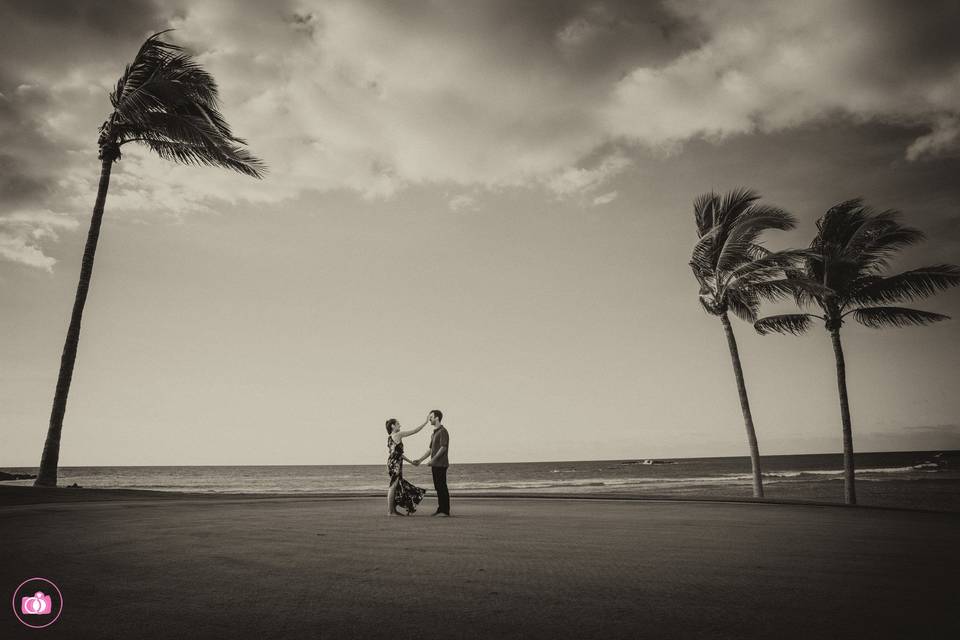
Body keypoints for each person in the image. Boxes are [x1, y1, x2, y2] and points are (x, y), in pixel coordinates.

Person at [385, 418, 428, 516]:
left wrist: (411, 462)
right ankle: (390, 511)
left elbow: (398, 454)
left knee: (397, 485)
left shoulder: (390, 437)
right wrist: (425, 422)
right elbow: (415, 431)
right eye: (398, 424)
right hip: (395, 463)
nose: (400, 426)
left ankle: (393, 510)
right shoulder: (398, 435)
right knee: (393, 486)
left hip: (393, 462)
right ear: (393, 426)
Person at [415, 410, 450, 516]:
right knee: (438, 487)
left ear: (437, 418)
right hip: (435, 464)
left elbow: (443, 447)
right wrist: (420, 460)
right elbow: (430, 450)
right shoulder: (434, 433)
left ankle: (445, 511)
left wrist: (433, 460)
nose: (429, 419)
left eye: (431, 417)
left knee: (442, 487)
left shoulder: (443, 431)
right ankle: (441, 509)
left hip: (441, 464)